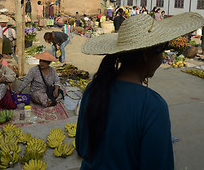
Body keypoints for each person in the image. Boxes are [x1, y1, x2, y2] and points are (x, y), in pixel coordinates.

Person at [76, 12, 204, 170]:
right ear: (146, 55)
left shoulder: (93, 88)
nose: (162, 58)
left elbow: (81, 148)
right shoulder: (152, 106)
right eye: (161, 51)